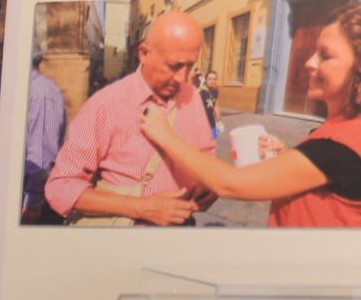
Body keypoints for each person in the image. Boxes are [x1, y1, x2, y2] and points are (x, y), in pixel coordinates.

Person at [141, 3, 361, 228]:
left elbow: (229, 183)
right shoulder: (347, 131)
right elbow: (328, 180)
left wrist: (164, 134)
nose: (309, 63)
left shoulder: (341, 144)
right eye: (315, 52)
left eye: (325, 56)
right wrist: (287, 159)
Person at [43, 12, 216, 226]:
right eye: (174, 66)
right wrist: (142, 207)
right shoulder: (106, 104)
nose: (182, 78)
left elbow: (207, 157)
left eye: (190, 66)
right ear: (144, 53)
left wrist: (209, 188)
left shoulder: (193, 99)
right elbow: (61, 186)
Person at [23, 54, 67, 220]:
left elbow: (41, 155)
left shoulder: (40, 91)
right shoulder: (32, 87)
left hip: (32, 200)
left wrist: (32, 204)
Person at [201, 69, 222, 139]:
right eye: (209, 79)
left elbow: (215, 106)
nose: (212, 81)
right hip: (202, 122)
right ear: (206, 79)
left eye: (214, 79)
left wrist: (219, 120)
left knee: (214, 139)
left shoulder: (215, 91)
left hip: (211, 121)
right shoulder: (201, 92)